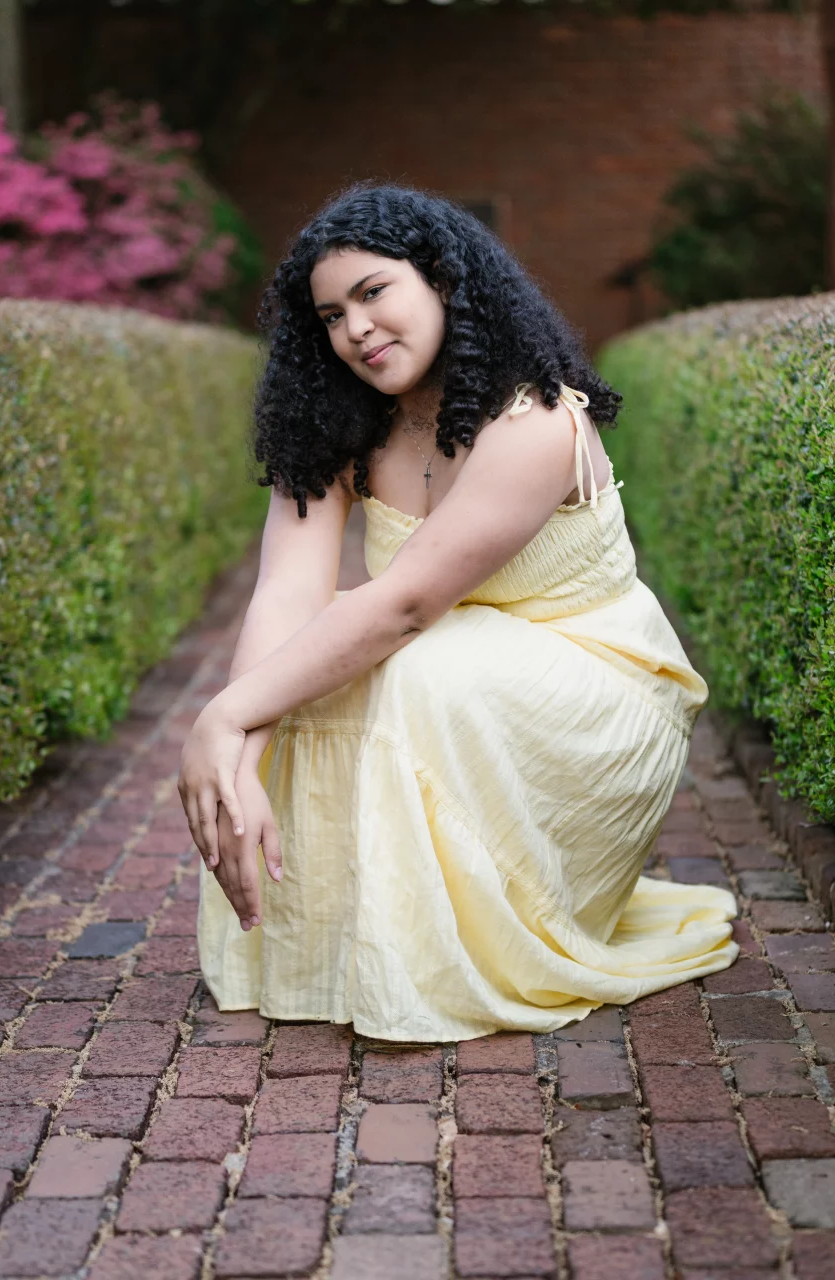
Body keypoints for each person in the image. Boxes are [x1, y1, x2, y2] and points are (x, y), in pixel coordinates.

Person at [177, 183, 737, 1043]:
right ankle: (326, 950)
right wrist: (238, 752)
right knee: (310, 663)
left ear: (442, 279)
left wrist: (220, 715)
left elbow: (404, 608)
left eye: (374, 292)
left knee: (389, 660)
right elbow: (286, 595)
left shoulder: (535, 419)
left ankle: (442, 963)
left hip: (598, 695)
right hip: (460, 676)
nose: (356, 329)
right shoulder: (343, 425)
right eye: (331, 316)